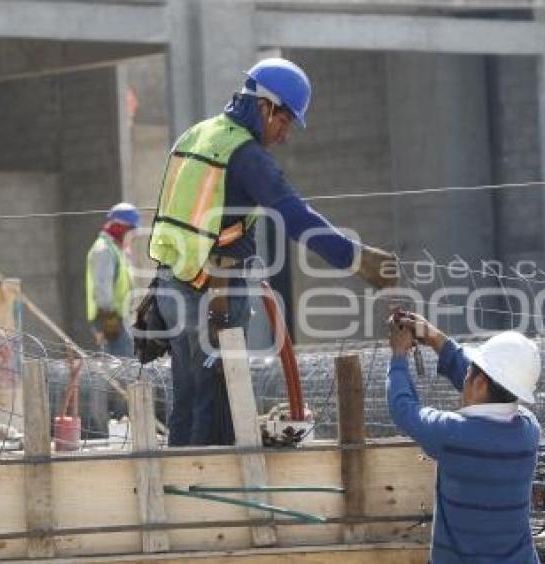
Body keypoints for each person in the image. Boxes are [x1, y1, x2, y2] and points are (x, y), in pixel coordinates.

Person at [148, 57, 396, 446]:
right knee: (214, 401)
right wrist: (356, 259)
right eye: (283, 122)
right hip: (213, 293)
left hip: (170, 285)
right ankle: (208, 496)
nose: (285, 135)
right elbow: (295, 216)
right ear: (263, 106)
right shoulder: (245, 155)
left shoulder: (197, 134)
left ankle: (180, 491)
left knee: (190, 396)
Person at [387, 311, 542, 564]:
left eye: (470, 372)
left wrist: (399, 355)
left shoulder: (453, 435)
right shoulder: (529, 430)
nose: (465, 375)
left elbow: (403, 409)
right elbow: (489, 388)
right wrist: (435, 338)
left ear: (479, 384)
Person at [86, 202, 140, 357]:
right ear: (121, 228)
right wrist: (109, 320)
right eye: (131, 230)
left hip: (118, 318)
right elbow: (102, 289)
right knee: (123, 367)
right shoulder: (104, 250)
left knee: (125, 364)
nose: (134, 235)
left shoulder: (116, 249)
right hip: (109, 319)